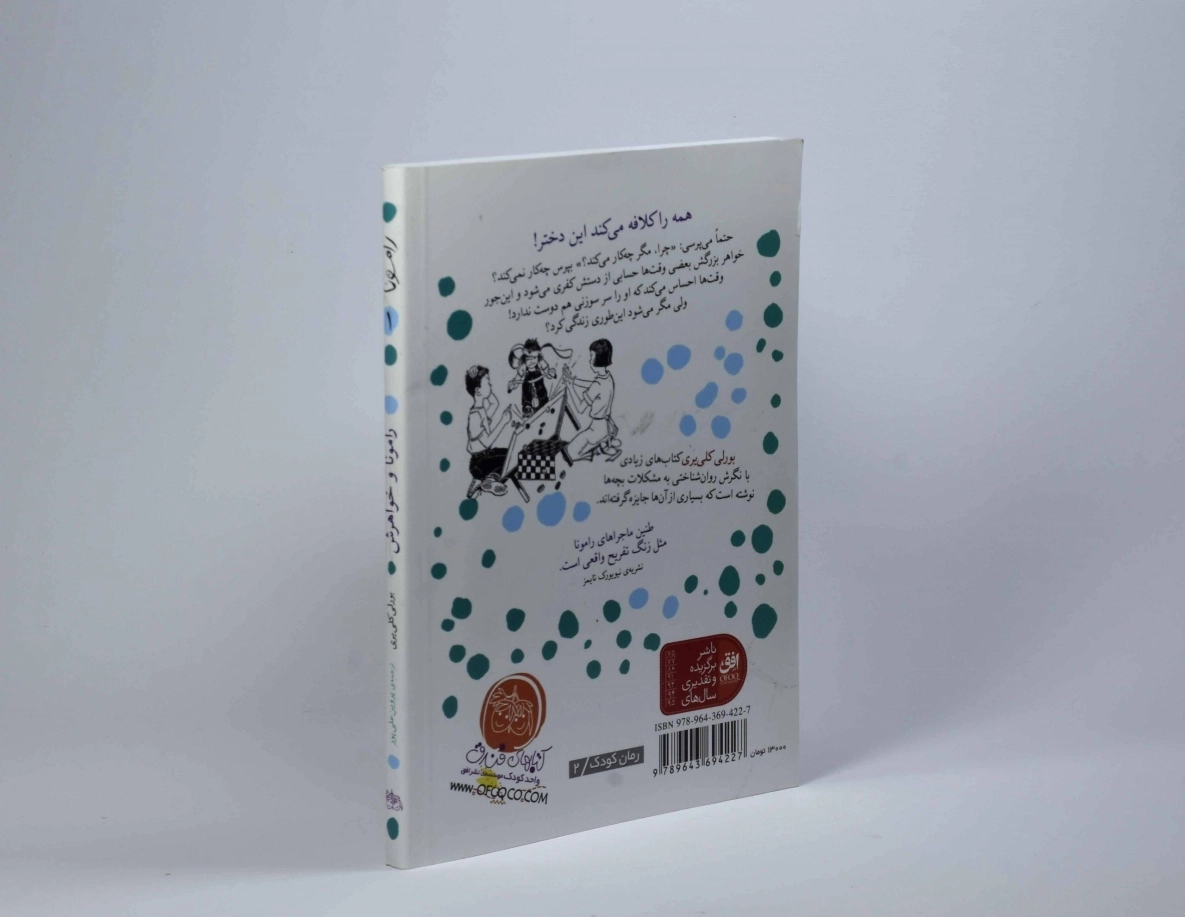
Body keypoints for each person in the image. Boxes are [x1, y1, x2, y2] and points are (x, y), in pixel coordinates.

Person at [561, 338, 621, 462]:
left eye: (591, 356)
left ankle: (592, 452)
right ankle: (601, 446)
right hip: (606, 425)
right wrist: (572, 380)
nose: (589, 360)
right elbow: (591, 384)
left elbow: (580, 408)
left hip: (595, 430)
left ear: (598, 359)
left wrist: (570, 387)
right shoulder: (608, 378)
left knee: (566, 453)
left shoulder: (597, 385)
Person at [465, 366, 511, 497]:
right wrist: (503, 421)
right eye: (488, 383)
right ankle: (487, 480)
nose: (491, 385)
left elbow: (495, 403)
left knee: (510, 453)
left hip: (485, 458)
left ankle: (482, 480)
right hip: (480, 462)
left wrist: (486, 387)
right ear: (478, 390)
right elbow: (486, 442)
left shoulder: (481, 411)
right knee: (510, 459)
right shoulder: (475, 415)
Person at [507, 339, 564, 418]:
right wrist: (512, 386)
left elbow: (547, 372)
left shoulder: (541, 362)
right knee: (526, 392)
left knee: (542, 392)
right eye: (529, 359)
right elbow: (517, 379)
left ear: (538, 355)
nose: (532, 361)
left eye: (534, 358)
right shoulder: (523, 366)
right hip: (527, 386)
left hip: (539, 385)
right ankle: (527, 408)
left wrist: (551, 373)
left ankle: (544, 404)